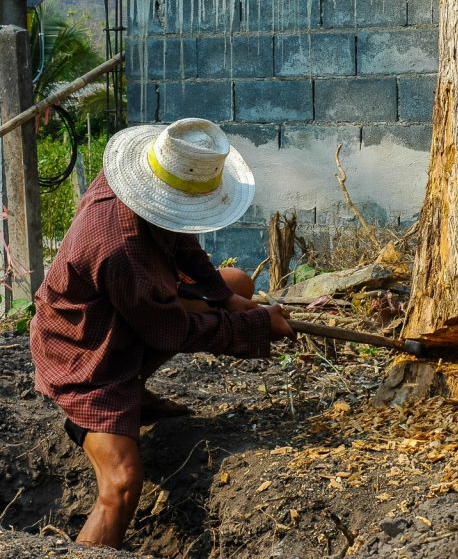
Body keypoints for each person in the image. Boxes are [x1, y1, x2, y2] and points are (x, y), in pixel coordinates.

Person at [30, 117, 295, 549]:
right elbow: (172, 331)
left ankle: (136, 391)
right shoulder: (121, 249)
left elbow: (182, 238)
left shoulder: (141, 181)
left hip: (122, 314)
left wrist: (226, 301)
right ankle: (114, 403)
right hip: (83, 353)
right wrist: (257, 325)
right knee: (121, 485)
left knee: (237, 284)